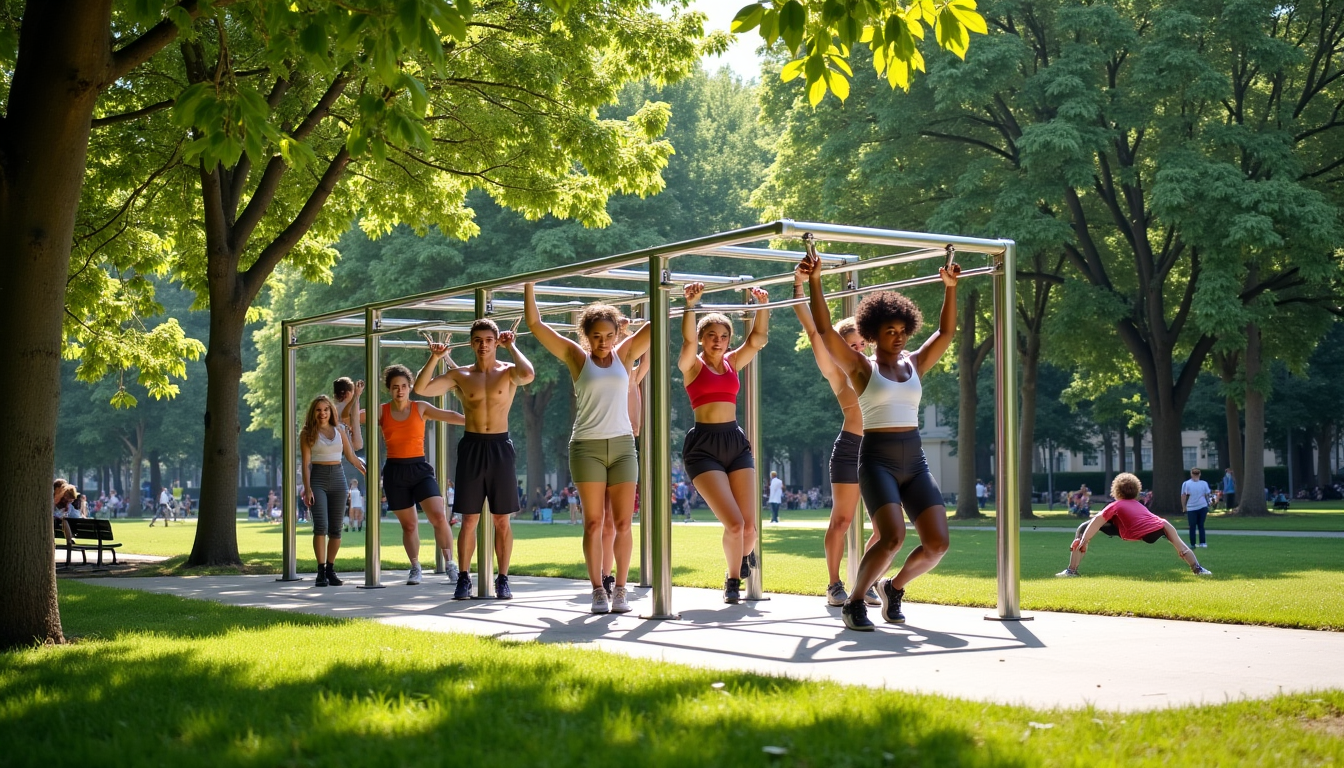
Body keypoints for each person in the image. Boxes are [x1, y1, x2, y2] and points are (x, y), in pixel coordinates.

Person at [801, 249, 960, 631]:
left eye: (902, 331)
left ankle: (894, 587)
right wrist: (815, 281)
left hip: (915, 461)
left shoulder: (915, 363)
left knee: (937, 544)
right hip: (876, 460)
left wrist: (950, 289)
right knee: (891, 537)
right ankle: (855, 601)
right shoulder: (860, 367)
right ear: (872, 334)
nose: (898, 337)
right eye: (889, 331)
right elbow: (823, 331)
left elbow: (947, 332)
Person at [525, 284, 651, 613]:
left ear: (616, 334)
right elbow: (536, 325)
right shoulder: (577, 358)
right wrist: (530, 286)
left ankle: (621, 588)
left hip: (623, 446)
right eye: (596, 336)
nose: (603, 342)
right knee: (594, 523)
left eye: (609, 335)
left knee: (623, 523)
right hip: (586, 448)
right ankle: (598, 589)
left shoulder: (625, 354)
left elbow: (657, 324)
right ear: (587, 336)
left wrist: (632, 323)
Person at [414, 317, 534, 600]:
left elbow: (528, 375)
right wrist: (435, 358)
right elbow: (422, 388)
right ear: (471, 343)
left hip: (500, 447)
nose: (483, 345)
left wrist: (512, 347)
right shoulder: (461, 375)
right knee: (469, 519)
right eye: (478, 340)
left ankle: (503, 578)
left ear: (495, 343)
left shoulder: (508, 371)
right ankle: (464, 578)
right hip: (472, 446)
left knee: (502, 520)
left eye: (488, 340)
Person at [791, 274, 884, 608]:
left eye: (862, 344)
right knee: (842, 521)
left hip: (880, 452)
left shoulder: (881, 369)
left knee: (886, 527)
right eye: (851, 345)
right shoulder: (836, 371)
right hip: (850, 448)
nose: (857, 349)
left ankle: (868, 581)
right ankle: (834, 585)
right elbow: (815, 331)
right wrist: (800, 289)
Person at [679, 281, 771, 604]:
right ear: (703, 339)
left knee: (751, 530)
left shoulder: (733, 361)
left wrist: (762, 306)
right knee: (735, 525)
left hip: (735, 441)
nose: (718, 342)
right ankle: (733, 581)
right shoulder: (692, 365)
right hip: (704, 447)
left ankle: (744, 559)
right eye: (711, 336)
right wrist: (691, 305)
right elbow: (687, 339)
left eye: (724, 337)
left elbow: (758, 339)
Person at [377, 364, 466, 587]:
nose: (400, 390)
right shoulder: (382, 411)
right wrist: (353, 399)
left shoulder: (420, 407)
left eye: (404, 386)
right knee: (409, 525)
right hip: (395, 471)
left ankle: (450, 564)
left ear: (410, 388)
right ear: (389, 389)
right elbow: (351, 417)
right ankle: (415, 567)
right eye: (396, 387)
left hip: (419, 469)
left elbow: (450, 415)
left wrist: (475, 419)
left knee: (438, 516)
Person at [1057, 473, 1212, 577]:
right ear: (1136, 490)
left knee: (1084, 528)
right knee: (1181, 546)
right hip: (1157, 528)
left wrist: (1083, 540)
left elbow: (1097, 520)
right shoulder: (1139, 505)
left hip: (1130, 531)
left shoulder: (1116, 505)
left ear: (1116, 490)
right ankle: (1198, 569)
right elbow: (1182, 549)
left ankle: (1072, 570)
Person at [299, 394, 367, 587]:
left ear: (331, 412)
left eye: (326, 410)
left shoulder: (340, 430)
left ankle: (330, 569)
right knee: (321, 526)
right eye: (319, 410)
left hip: (338, 478)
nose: (322, 413)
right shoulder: (307, 433)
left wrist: (365, 471)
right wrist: (308, 488)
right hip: (318, 478)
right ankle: (320, 572)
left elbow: (352, 457)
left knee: (336, 529)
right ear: (314, 412)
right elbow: (305, 464)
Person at [1181, 467, 1213, 549]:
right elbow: (1207, 495)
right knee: (1201, 525)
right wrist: (1210, 504)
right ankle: (1202, 543)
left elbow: (1183, 496)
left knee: (1192, 526)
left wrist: (1184, 506)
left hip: (1191, 507)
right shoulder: (1204, 483)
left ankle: (1193, 544)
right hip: (1202, 506)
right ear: (1200, 474)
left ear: (1191, 474)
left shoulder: (1186, 484)